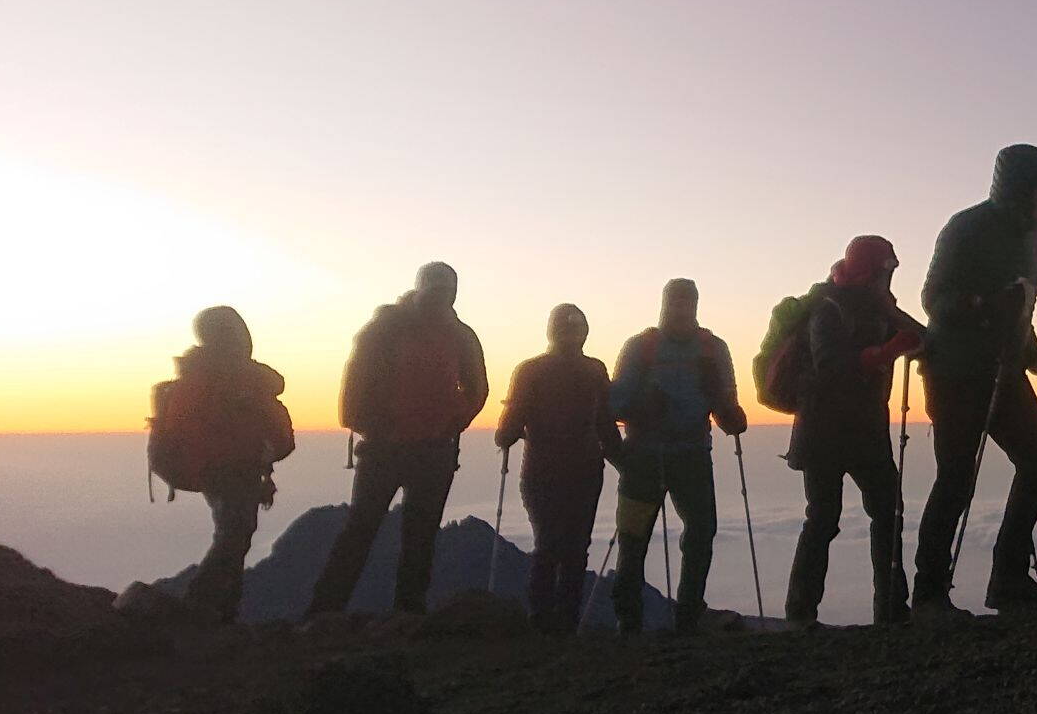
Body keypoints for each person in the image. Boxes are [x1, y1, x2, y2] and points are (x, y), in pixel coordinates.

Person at [914, 145, 1037, 619]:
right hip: (957, 370)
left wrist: (1032, 355)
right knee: (958, 478)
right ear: (1018, 186)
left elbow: (1019, 305)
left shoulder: (1029, 235)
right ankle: (930, 595)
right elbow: (933, 299)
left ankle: (1008, 580)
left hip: (1000, 367)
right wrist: (981, 306)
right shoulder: (967, 227)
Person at [308, 263, 490, 616]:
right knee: (400, 533)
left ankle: (329, 611)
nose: (441, 295)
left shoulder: (390, 329)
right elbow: (477, 389)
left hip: (399, 446)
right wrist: (454, 421)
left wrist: (451, 423)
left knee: (373, 531)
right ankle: (396, 612)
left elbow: (477, 388)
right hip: (410, 448)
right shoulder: (444, 332)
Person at [785, 236, 925, 628]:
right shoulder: (828, 308)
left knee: (879, 513)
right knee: (828, 518)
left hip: (853, 431)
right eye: (886, 270)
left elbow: (923, 341)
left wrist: (897, 333)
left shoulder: (878, 308)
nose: (890, 277)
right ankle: (804, 615)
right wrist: (886, 351)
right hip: (829, 431)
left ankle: (888, 610)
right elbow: (829, 365)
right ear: (871, 271)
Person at [607, 279, 748, 634]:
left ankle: (673, 617)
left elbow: (728, 410)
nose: (682, 309)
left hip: (679, 455)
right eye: (677, 302)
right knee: (636, 538)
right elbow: (615, 403)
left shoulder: (705, 349)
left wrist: (724, 405)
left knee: (696, 533)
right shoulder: (667, 348)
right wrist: (641, 408)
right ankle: (637, 620)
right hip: (657, 456)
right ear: (666, 304)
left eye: (687, 302)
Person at [496, 304, 623, 634]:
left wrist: (507, 434)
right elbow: (606, 425)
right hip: (584, 471)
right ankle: (565, 624)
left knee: (549, 545)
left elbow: (508, 429)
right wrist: (626, 463)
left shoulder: (531, 371)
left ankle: (541, 622)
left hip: (542, 470)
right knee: (574, 548)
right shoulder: (594, 370)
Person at [164, 307, 297, 621]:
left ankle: (220, 613)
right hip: (227, 468)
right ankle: (199, 606)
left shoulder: (213, 376)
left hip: (232, 467)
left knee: (237, 535)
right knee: (235, 534)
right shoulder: (216, 378)